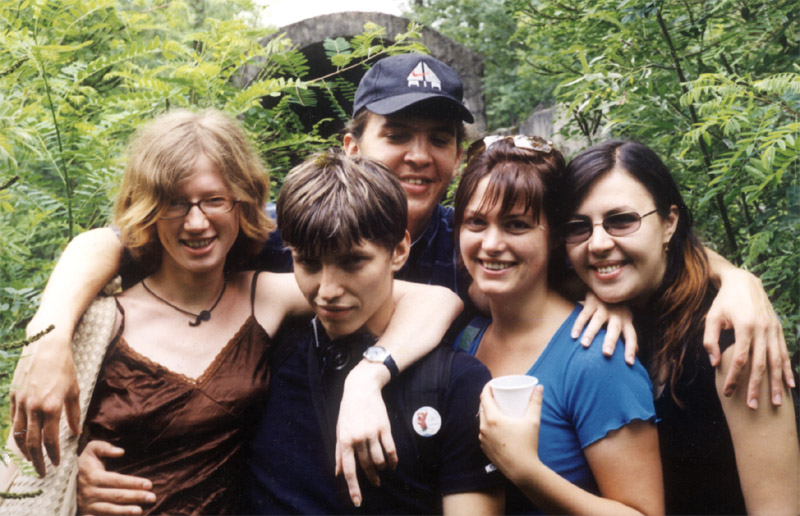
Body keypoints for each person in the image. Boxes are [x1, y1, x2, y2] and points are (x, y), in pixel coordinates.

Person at [9, 53, 790, 491]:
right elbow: (118, 241)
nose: (419, 156)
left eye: (439, 138)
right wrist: (48, 337)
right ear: (352, 145)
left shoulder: (475, 239)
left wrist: (732, 279)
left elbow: (612, 232)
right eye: (397, 134)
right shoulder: (290, 232)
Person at [8, 109, 462, 514]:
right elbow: (30, 465)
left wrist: (368, 378)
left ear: (242, 201)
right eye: (174, 202)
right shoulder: (99, 319)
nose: (196, 222)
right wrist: (48, 339)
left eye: (214, 200)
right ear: (149, 207)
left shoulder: (266, 296)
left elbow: (433, 299)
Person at [245, 150, 504, 514]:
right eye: (308, 262)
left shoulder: (456, 383)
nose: (327, 290)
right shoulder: (267, 360)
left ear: (399, 250)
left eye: (352, 261)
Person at [546, 140, 797, 514]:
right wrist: (594, 292)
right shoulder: (612, 300)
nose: (597, 243)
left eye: (622, 220)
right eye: (578, 227)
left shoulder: (733, 341)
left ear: (669, 223)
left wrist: (738, 278)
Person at [453, 135, 663, 515]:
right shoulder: (467, 336)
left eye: (516, 225)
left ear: (554, 238)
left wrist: (527, 471)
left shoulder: (596, 358)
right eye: (476, 222)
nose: (491, 243)